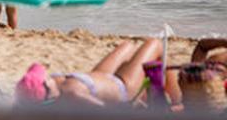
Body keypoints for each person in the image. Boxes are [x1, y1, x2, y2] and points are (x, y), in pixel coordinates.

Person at [16, 38, 180, 106]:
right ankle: (177, 101)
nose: (46, 74)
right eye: (44, 77)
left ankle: (152, 88)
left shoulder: (56, 85)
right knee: (156, 43)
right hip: (123, 88)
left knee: (128, 47)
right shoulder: (72, 92)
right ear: (47, 89)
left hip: (99, 79)